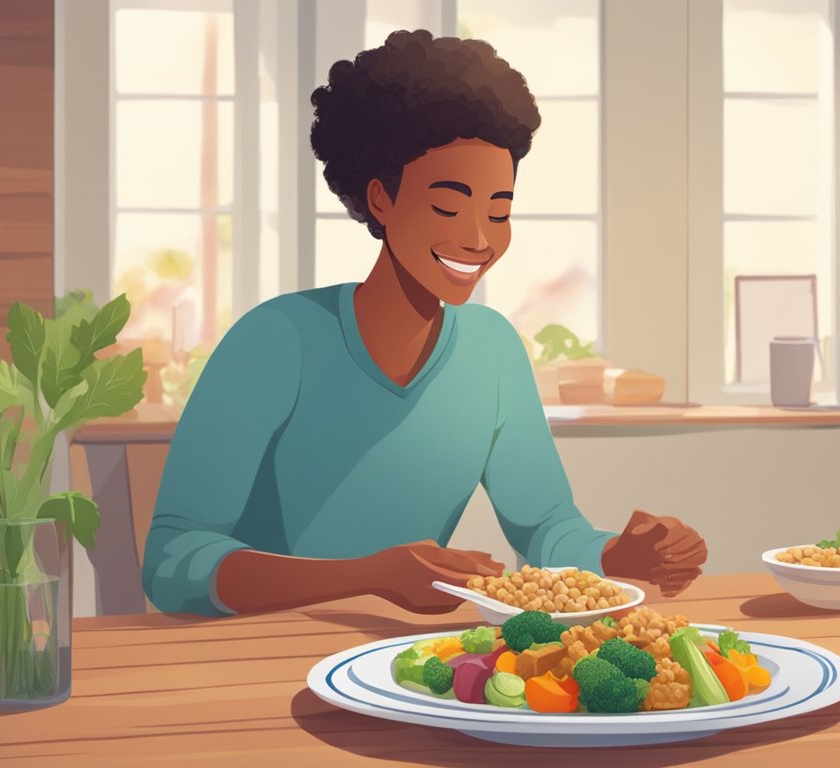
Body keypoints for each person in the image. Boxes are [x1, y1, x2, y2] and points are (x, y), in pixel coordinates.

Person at [141, 29, 708, 617]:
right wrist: (369, 576)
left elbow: (546, 528)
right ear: (381, 199)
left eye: (500, 210)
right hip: (259, 653)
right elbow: (173, 561)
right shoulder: (277, 341)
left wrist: (620, 556)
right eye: (448, 205)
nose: (479, 239)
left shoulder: (491, 351)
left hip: (407, 659)